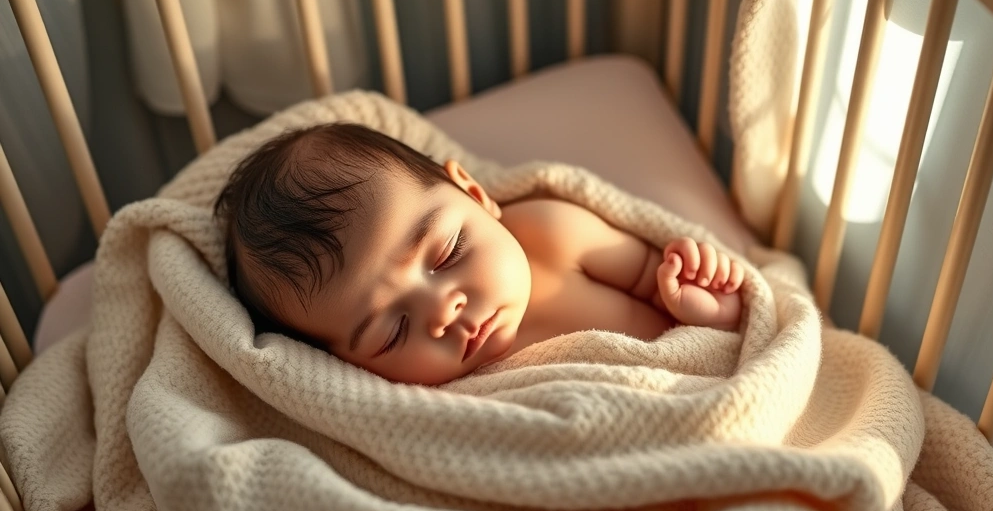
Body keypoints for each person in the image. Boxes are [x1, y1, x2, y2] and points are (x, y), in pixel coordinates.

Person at [215, 123, 745, 386]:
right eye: (391, 332)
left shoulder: (553, 234)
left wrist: (707, 308)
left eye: (447, 253)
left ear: (475, 195)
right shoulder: (439, 400)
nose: (444, 311)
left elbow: (661, 283)